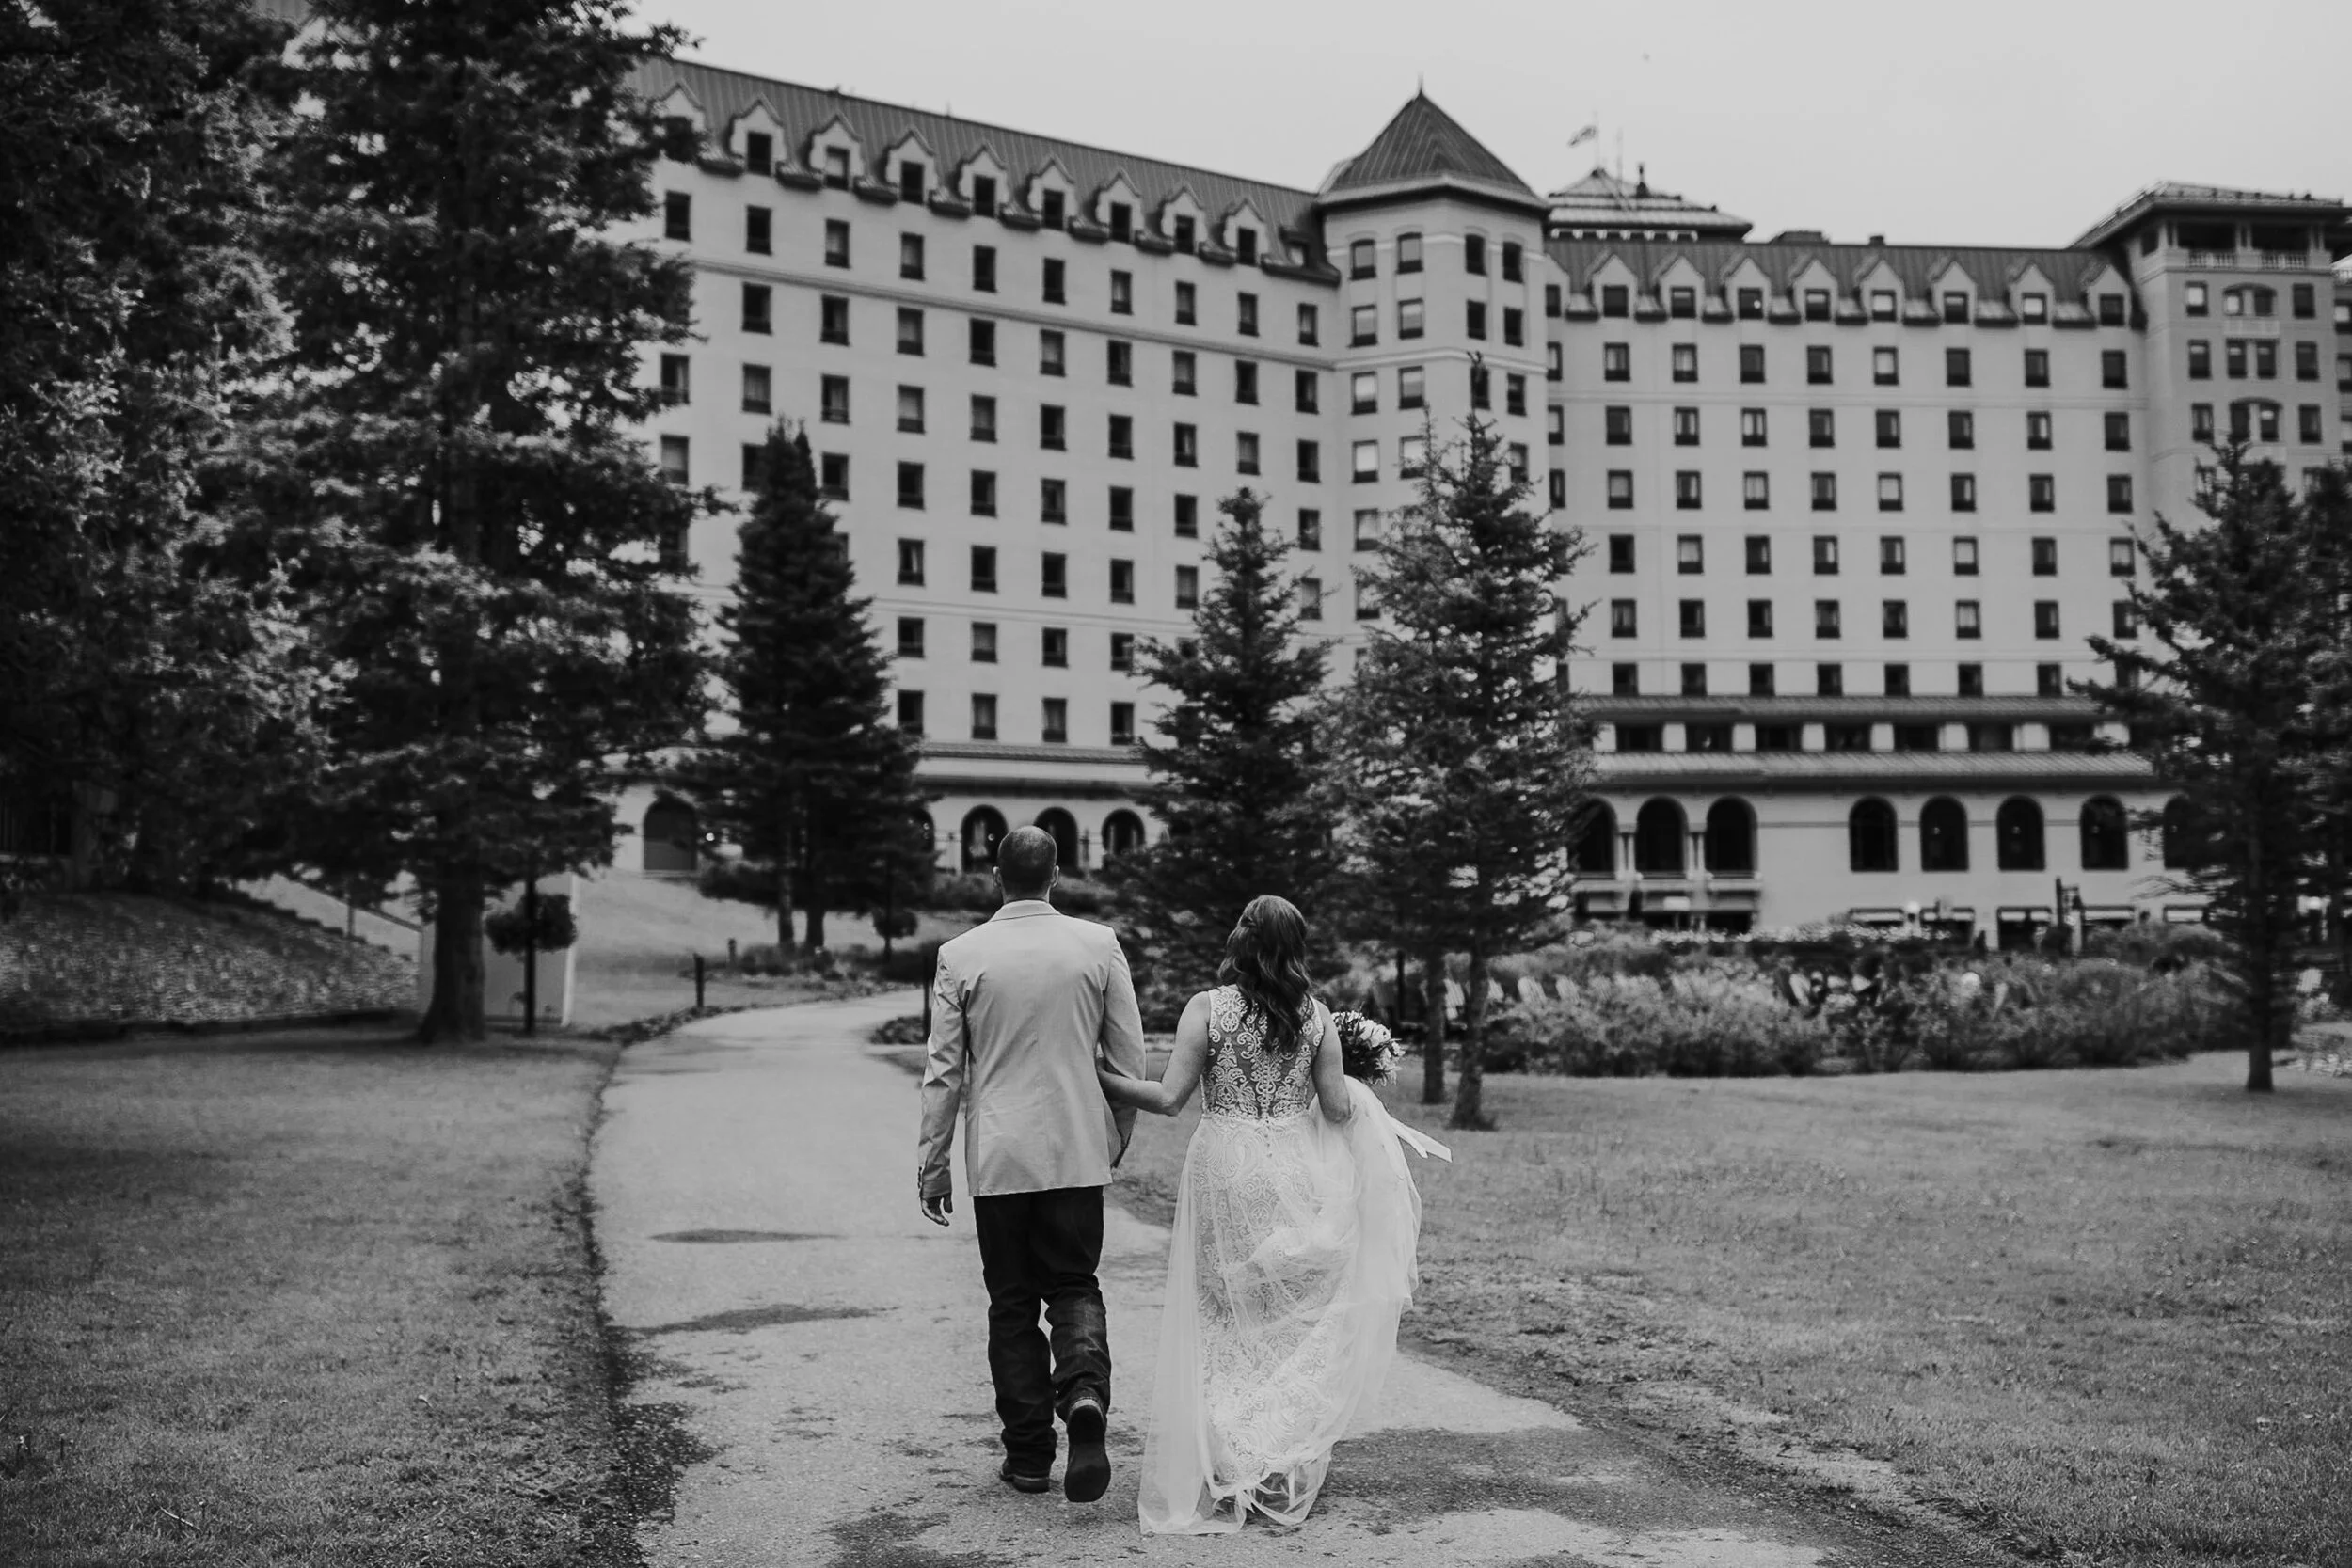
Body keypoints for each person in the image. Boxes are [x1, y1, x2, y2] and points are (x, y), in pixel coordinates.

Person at [1099, 895, 1442, 1534]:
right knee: (1284, 1314)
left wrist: (1103, 1079)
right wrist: (1360, 1090)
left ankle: (1226, 1460)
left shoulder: (1208, 1007)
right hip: (1289, 1166)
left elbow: (1170, 1097)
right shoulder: (1314, 1017)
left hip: (1224, 1163)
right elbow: (1338, 1108)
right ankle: (1273, 1459)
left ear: (1241, 938)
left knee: (1221, 1310)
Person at [917, 826, 1147, 1503]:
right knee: (1074, 1283)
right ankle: (1082, 1394)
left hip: (1001, 1156)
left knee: (1011, 1303)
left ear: (996, 875)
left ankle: (1026, 1457)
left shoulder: (961, 955)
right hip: (1076, 1149)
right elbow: (1128, 1057)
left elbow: (943, 1071)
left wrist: (933, 1163)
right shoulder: (1098, 944)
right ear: (1055, 873)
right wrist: (1115, 1135)